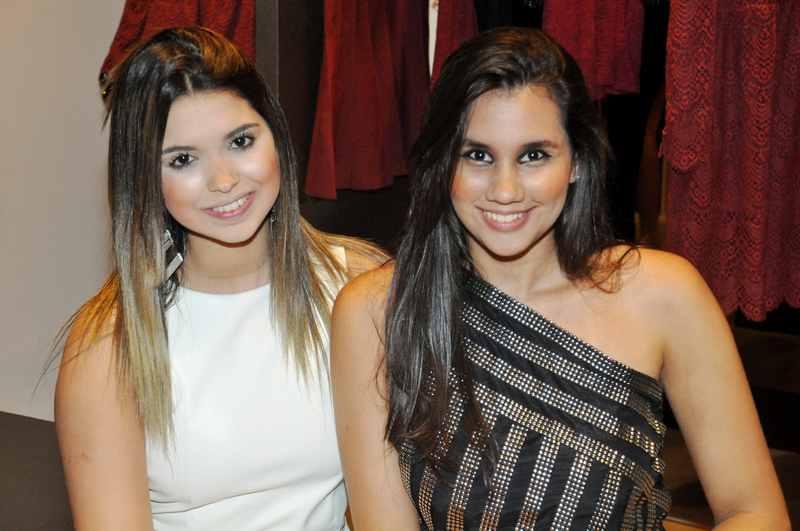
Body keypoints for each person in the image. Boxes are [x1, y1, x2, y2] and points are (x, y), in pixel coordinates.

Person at [331, 28, 790, 530]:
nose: (506, 190)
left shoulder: (664, 294)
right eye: (478, 155)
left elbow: (755, 513)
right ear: (443, 165)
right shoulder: (378, 311)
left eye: (534, 155)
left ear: (576, 161)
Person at [55, 27, 383, 530]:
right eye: (183, 160)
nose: (225, 180)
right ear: (144, 178)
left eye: (240, 141)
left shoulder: (358, 287)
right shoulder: (107, 347)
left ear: (275, 136)